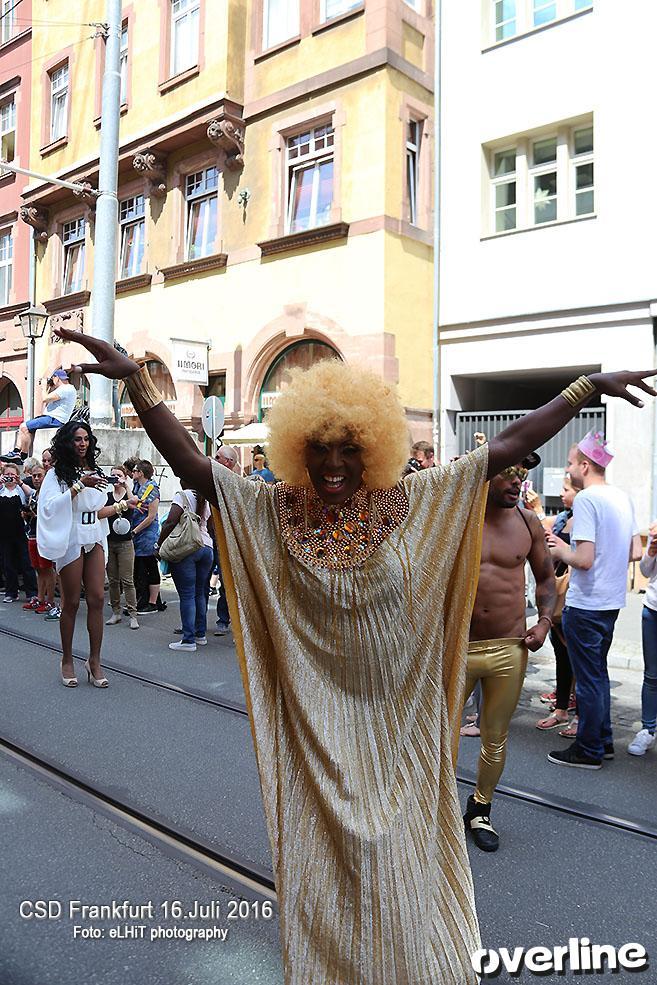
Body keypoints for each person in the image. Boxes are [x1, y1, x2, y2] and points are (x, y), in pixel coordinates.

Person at [58, 326, 656, 985]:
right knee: (324, 875)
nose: (334, 463)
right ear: (299, 450)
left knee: (401, 871)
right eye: (320, 448)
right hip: (316, 730)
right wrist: (137, 385)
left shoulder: (412, 501)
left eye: (348, 448)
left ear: (372, 448)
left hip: (399, 726)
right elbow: (198, 469)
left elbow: (505, 449)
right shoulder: (274, 507)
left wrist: (586, 389)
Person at [461, 454, 556, 852]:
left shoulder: (527, 523)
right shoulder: (459, 519)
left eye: (523, 476)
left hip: (509, 648)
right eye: (509, 474)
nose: (518, 483)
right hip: (457, 650)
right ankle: (430, 810)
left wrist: (545, 622)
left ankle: (480, 808)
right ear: (488, 473)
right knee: (439, 736)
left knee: (495, 738)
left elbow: (547, 578)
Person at [547, 433, 643, 769]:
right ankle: (602, 741)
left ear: (585, 466)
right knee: (597, 675)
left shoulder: (587, 500)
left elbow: (584, 559)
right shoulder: (622, 497)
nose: (569, 468)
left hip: (586, 602)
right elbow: (636, 552)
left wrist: (559, 550)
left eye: (572, 463)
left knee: (589, 680)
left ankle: (588, 750)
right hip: (611, 601)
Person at [37, 421, 110, 688]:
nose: (82, 443)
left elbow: (101, 504)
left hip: (94, 533)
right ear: (68, 443)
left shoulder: (95, 469)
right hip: (71, 535)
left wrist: (121, 494)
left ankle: (94, 661)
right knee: (71, 602)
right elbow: (48, 507)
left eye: (86, 439)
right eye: (77, 439)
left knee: (98, 598)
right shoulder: (56, 474)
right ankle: (67, 659)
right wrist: (79, 485)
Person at [529, 477, 579, 732]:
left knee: (575, 658)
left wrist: (562, 547)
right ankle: (561, 709)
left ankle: (577, 714)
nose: (561, 494)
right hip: (558, 592)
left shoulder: (584, 519)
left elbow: (584, 556)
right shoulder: (564, 517)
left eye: (566, 489)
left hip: (573, 594)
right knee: (561, 653)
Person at [158, 482, 213, 651]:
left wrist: (159, 544)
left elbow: (170, 522)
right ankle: (200, 634)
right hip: (207, 548)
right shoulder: (206, 498)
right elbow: (210, 527)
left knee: (187, 594)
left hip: (188, 548)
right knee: (199, 592)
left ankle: (188, 640)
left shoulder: (182, 495)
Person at [98, 466, 140, 630]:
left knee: (127, 580)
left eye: (119, 475)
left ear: (125, 477)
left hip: (125, 543)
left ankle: (133, 615)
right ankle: (116, 612)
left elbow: (134, 503)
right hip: (109, 541)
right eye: (113, 475)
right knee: (113, 580)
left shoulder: (127, 494)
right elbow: (100, 511)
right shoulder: (107, 496)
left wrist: (126, 486)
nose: (115, 478)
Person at [3, 370, 77, 462]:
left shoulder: (66, 388)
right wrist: (50, 387)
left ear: (57, 378)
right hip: (52, 418)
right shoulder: (68, 389)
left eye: (53, 378)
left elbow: (45, 399)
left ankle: (21, 455)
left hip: (54, 419)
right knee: (26, 428)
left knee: (24, 426)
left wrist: (43, 387)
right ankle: (17, 452)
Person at [629, 522, 657, 756]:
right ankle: (648, 729)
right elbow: (646, 571)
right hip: (653, 610)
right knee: (652, 675)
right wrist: (651, 550)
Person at [0, 463, 38, 604]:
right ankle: (11, 592)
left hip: (21, 531)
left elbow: (32, 494)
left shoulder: (20, 490)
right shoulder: (1, 490)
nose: (9, 477)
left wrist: (20, 482)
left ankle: (32, 593)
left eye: (12, 474)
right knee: (7, 564)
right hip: (4, 532)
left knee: (26, 562)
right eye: (7, 474)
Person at [22, 464, 56, 615]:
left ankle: (50, 601)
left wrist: (36, 515)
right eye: (34, 476)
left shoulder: (49, 494)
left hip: (44, 536)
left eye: (39, 476)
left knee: (47, 569)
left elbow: (50, 514)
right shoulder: (34, 494)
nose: (36, 479)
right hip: (33, 533)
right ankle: (40, 598)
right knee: (38, 569)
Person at [131, 460, 164, 615]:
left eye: (134, 470)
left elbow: (151, 517)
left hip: (147, 536)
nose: (132, 473)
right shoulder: (137, 487)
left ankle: (152, 603)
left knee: (150, 567)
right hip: (139, 535)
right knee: (140, 569)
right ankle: (145, 600)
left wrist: (135, 531)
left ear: (141, 473)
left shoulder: (151, 488)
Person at [213, 445, 240, 635]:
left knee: (228, 581)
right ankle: (196, 625)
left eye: (218, 456)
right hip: (211, 538)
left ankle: (227, 619)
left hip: (231, 540)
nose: (214, 459)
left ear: (228, 462)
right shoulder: (213, 481)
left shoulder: (237, 483)